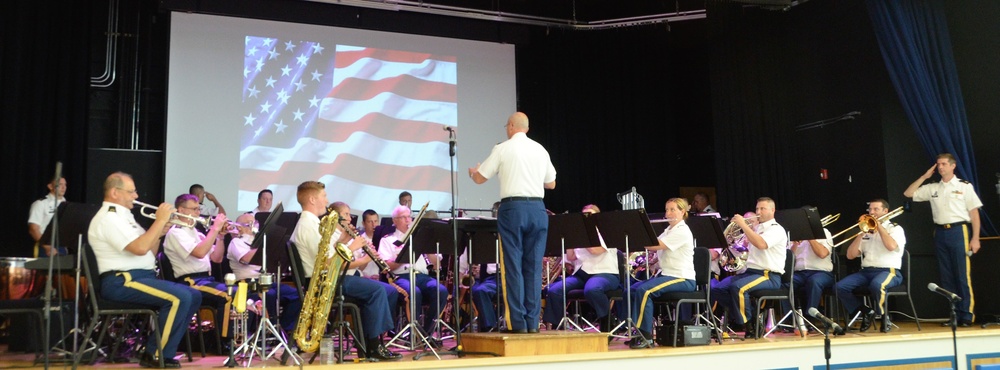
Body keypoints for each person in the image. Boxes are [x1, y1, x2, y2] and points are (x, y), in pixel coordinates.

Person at [88, 172, 201, 368]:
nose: (136, 196)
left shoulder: (126, 217)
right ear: (115, 192)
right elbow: (139, 248)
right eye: (131, 192)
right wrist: (158, 221)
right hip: (121, 280)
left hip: (141, 276)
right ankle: (154, 354)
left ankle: (164, 350)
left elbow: (149, 252)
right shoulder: (109, 218)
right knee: (179, 298)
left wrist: (161, 230)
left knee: (194, 295)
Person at [290, 181, 400, 361]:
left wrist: (341, 241)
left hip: (328, 280)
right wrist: (352, 247)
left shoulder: (311, 224)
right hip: (326, 283)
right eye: (323, 197)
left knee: (376, 290)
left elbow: (327, 255)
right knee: (378, 290)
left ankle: (368, 346)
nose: (326, 201)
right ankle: (373, 347)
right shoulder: (308, 226)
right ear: (312, 199)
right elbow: (327, 263)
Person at [468, 111, 557, 333]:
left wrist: (473, 172)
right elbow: (551, 184)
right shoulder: (540, 149)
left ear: (510, 127)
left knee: (513, 266)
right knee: (534, 267)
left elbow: (480, 178)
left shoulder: (503, 148)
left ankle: (518, 323)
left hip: (513, 209)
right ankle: (532, 322)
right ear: (526, 128)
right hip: (537, 209)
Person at [904, 153, 983, 326]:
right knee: (946, 277)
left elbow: (974, 213)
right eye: (938, 164)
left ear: (953, 166)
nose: (940, 167)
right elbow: (908, 193)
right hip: (940, 232)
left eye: (944, 164)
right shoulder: (933, 187)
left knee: (961, 275)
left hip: (958, 230)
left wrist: (975, 238)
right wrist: (925, 176)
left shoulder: (964, 186)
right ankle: (954, 315)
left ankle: (967, 315)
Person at [162, 194, 233, 346]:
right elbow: (200, 253)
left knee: (237, 292)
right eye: (194, 209)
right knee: (229, 295)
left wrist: (220, 237)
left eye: (198, 209)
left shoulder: (195, 232)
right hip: (190, 281)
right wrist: (214, 229)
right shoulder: (176, 232)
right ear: (181, 210)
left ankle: (228, 339)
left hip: (205, 279)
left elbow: (217, 258)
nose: (198, 213)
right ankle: (224, 342)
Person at [711, 197, 787, 338]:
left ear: (772, 210)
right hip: (750, 272)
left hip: (768, 275)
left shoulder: (776, 229)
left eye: (762, 209)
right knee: (716, 289)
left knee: (738, 288)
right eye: (757, 208)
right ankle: (752, 315)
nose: (758, 211)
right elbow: (745, 248)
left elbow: (761, 244)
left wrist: (744, 226)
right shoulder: (757, 229)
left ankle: (749, 327)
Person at [627, 198, 697, 349]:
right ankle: (637, 330)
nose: (668, 213)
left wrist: (637, 233)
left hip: (682, 277)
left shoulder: (682, 231)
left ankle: (645, 336)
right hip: (667, 274)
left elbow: (656, 245)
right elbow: (656, 250)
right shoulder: (668, 230)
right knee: (631, 290)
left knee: (644, 291)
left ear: (682, 212)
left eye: (673, 210)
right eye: (667, 210)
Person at [543, 204, 619, 333]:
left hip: (605, 273)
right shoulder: (580, 234)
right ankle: (558, 327)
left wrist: (583, 235)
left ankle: (607, 320)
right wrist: (570, 238)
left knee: (592, 289)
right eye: (584, 216)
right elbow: (571, 257)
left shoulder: (605, 232)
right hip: (582, 274)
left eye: (590, 216)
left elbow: (595, 250)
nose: (587, 219)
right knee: (554, 290)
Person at [379, 205, 448, 343]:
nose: (408, 220)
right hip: (401, 277)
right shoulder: (388, 240)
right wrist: (401, 256)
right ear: (395, 220)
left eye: (409, 216)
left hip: (422, 276)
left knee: (441, 290)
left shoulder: (420, 238)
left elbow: (437, 265)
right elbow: (386, 267)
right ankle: (413, 333)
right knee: (414, 292)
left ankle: (426, 333)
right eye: (403, 217)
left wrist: (426, 246)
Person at [834, 199, 905, 333]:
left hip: (889, 270)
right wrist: (860, 234)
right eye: (870, 210)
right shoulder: (867, 230)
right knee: (839, 287)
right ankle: (866, 311)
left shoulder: (895, 228)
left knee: (877, 285)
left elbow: (891, 246)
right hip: (866, 271)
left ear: (885, 211)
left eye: (875, 209)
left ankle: (885, 317)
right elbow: (850, 255)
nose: (871, 212)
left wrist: (880, 227)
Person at [227, 213, 301, 334]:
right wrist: (265, 245)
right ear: (239, 227)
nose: (255, 226)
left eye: (255, 223)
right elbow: (246, 259)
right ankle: (266, 332)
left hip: (267, 281)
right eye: (250, 223)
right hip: (249, 283)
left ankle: (285, 328)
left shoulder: (258, 241)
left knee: (298, 294)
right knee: (270, 294)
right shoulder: (236, 242)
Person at [781, 224, 834, 329]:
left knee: (814, 281)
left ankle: (810, 319)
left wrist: (810, 238)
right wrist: (794, 245)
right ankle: (791, 319)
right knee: (785, 283)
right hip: (799, 273)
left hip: (821, 272)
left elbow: (823, 254)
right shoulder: (794, 235)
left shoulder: (824, 232)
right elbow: (787, 260)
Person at [458, 246, 498, 332]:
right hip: (485, 280)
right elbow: (460, 270)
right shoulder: (473, 243)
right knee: (479, 291)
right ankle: (490, 328)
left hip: (506, 277)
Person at [28, 177, 67, 257]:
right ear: (50, 186)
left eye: (65, 184)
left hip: (63, 247)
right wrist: (47, 247)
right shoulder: (41, 203)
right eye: (60, 184)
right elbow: (33, 229)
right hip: (46, 247)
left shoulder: (66, 204)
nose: (63, 187)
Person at [358, 209, 382, 278]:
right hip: (364, 278)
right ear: (363, 224)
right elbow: (357, 268)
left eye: (375, 221)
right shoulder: (359, 241)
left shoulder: (383, 240)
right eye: (370, 222)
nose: (374, 225)